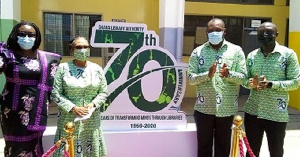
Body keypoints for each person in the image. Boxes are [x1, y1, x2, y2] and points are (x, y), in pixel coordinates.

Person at [0, 20, 61, 156]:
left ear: (37, 37)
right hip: (13, 109)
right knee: (15, 144)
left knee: (34, 143)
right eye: (22, 34)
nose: (27, 38)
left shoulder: (45, 58)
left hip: (37, 109)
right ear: (15, 35)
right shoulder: (7, 54)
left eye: (31, 35)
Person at [188, 18, 247, 157]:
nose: (215, 33)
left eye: (218, 30)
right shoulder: (198, 52)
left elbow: (244, 78)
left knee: (223, 148)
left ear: (224, 31)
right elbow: (191, 78)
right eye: (211, 30)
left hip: (226, 109)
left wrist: (229, 74)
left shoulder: (236, 51)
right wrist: (207, 75)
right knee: (204, 147)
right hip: (204, 109)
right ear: (207, 32)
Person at [243, 22, 300, 157]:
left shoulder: (288, 55)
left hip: (276, 112)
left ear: (277, 34)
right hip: (253, 111)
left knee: (276, 151)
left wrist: (271, 84)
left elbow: (295, 82)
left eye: (268, 32)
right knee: (251, 151)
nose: (264, 36)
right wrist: (250, 83)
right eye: (261, 33)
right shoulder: (252, 56)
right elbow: (244, 80)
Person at [51, 36, 108, 157]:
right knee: (68, 150)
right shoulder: (63, 68)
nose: (83, 50)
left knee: (90, 151)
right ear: (71, 50)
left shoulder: (97, 69)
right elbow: (55, 93)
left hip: (91, 120)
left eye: (85, 47)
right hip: (69, 120)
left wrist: (93, 104)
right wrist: (73, 108)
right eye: (78, 47)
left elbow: (103, 92)